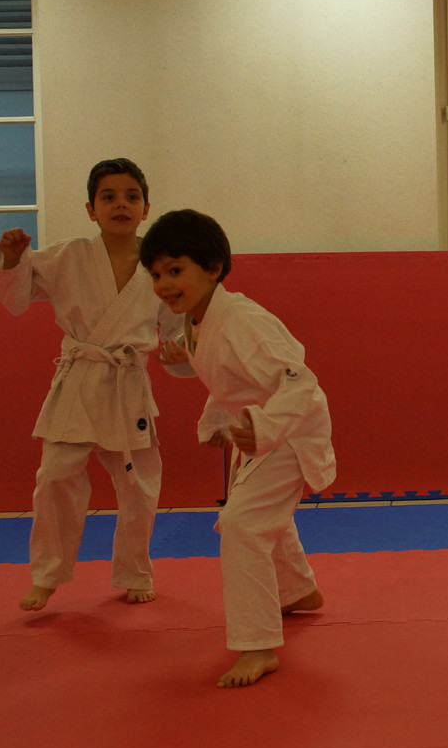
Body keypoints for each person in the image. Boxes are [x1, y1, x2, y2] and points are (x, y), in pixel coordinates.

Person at [139, 209, 333, 688]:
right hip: (256, 430)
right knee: (262, 513)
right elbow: (222, 370)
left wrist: (265, 426)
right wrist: (182, 361)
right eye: (157, 274)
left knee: (243, 524)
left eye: (175, 270)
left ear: (213, 267)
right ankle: (298, 590)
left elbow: (301, 382)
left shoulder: (242, 320)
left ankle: (258, 644)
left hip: (288, 428)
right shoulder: (199, 318)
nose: (164, 284)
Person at [0, 157, 174, 611]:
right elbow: (16, 296)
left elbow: (177, 323)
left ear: (146, 208)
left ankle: (135, 571)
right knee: (54, 477)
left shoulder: (161, 264)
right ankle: (47, 576)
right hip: (79, 380)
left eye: (131, 196)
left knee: (139, 486)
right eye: (108, 197)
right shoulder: (67, 256)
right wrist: (11, 259)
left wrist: (181, 350)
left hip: (127, 384)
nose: (121, 205)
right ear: (91, 209)